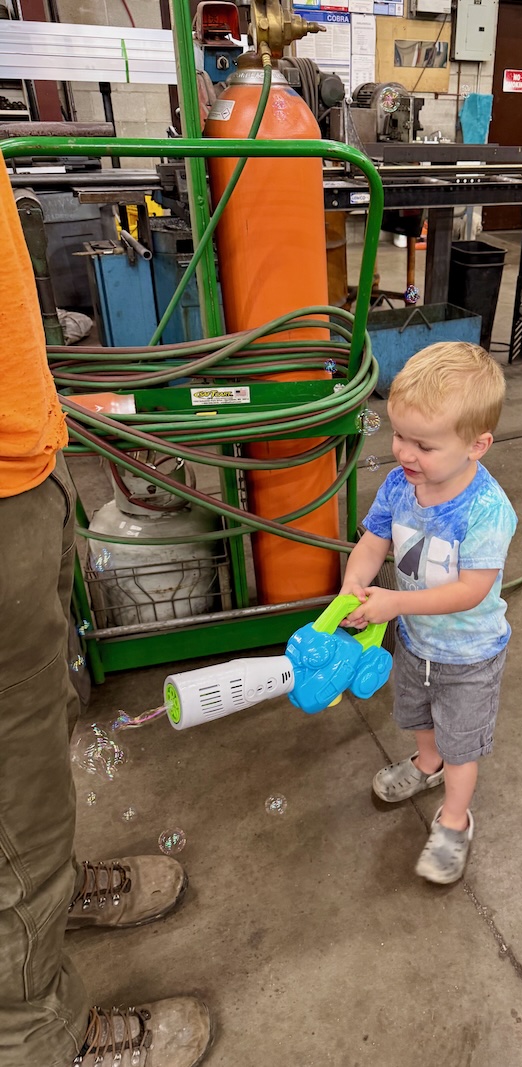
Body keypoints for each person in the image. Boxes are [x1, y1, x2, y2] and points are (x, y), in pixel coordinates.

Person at [0, 158, 212, 1066]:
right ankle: (35, 1031)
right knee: (9, 770)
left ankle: (37, 896)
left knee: (33, 747)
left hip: (22, 453)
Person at [340, 342, 517, 885]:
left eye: (425, 445)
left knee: (462, 742)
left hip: (470, 656)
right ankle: (425, 765)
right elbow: (372, 542)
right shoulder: (400, 486)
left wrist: (394, 603)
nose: (405, 454)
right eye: (398, 436)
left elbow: (469, 591)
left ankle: (456, 820)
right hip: (416, 643)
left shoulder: (487, 511)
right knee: (416, 716)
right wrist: (354, 585)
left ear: (477, 445)